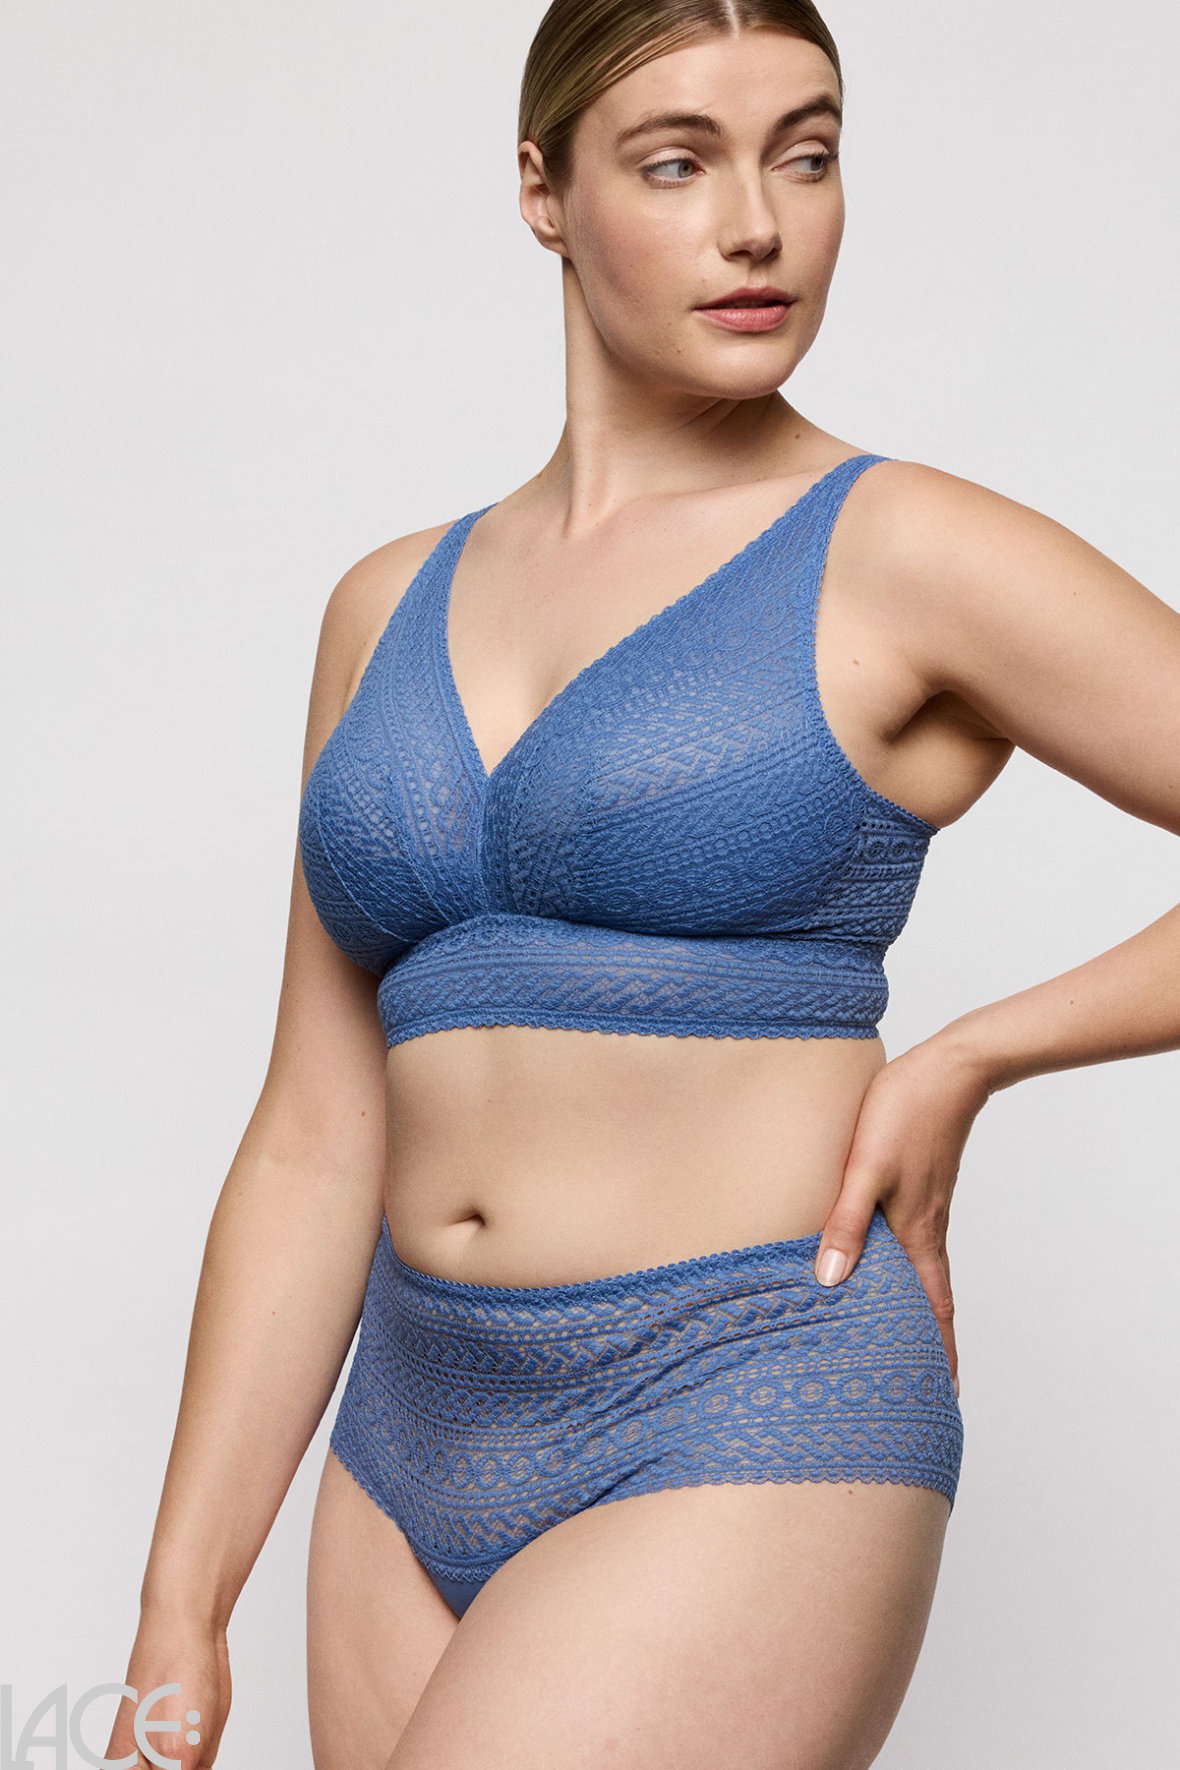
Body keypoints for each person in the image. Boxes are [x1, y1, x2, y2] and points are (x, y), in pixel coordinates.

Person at [106, 3, 1180, 1767]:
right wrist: (180, 1599)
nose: (758, 224)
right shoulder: (382, 607)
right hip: (404, 1434)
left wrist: (976, 1053)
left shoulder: (907, 550)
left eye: (806, 156)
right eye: (679, 163)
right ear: (543, 189)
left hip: (743, 1397)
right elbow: (312, 1128)